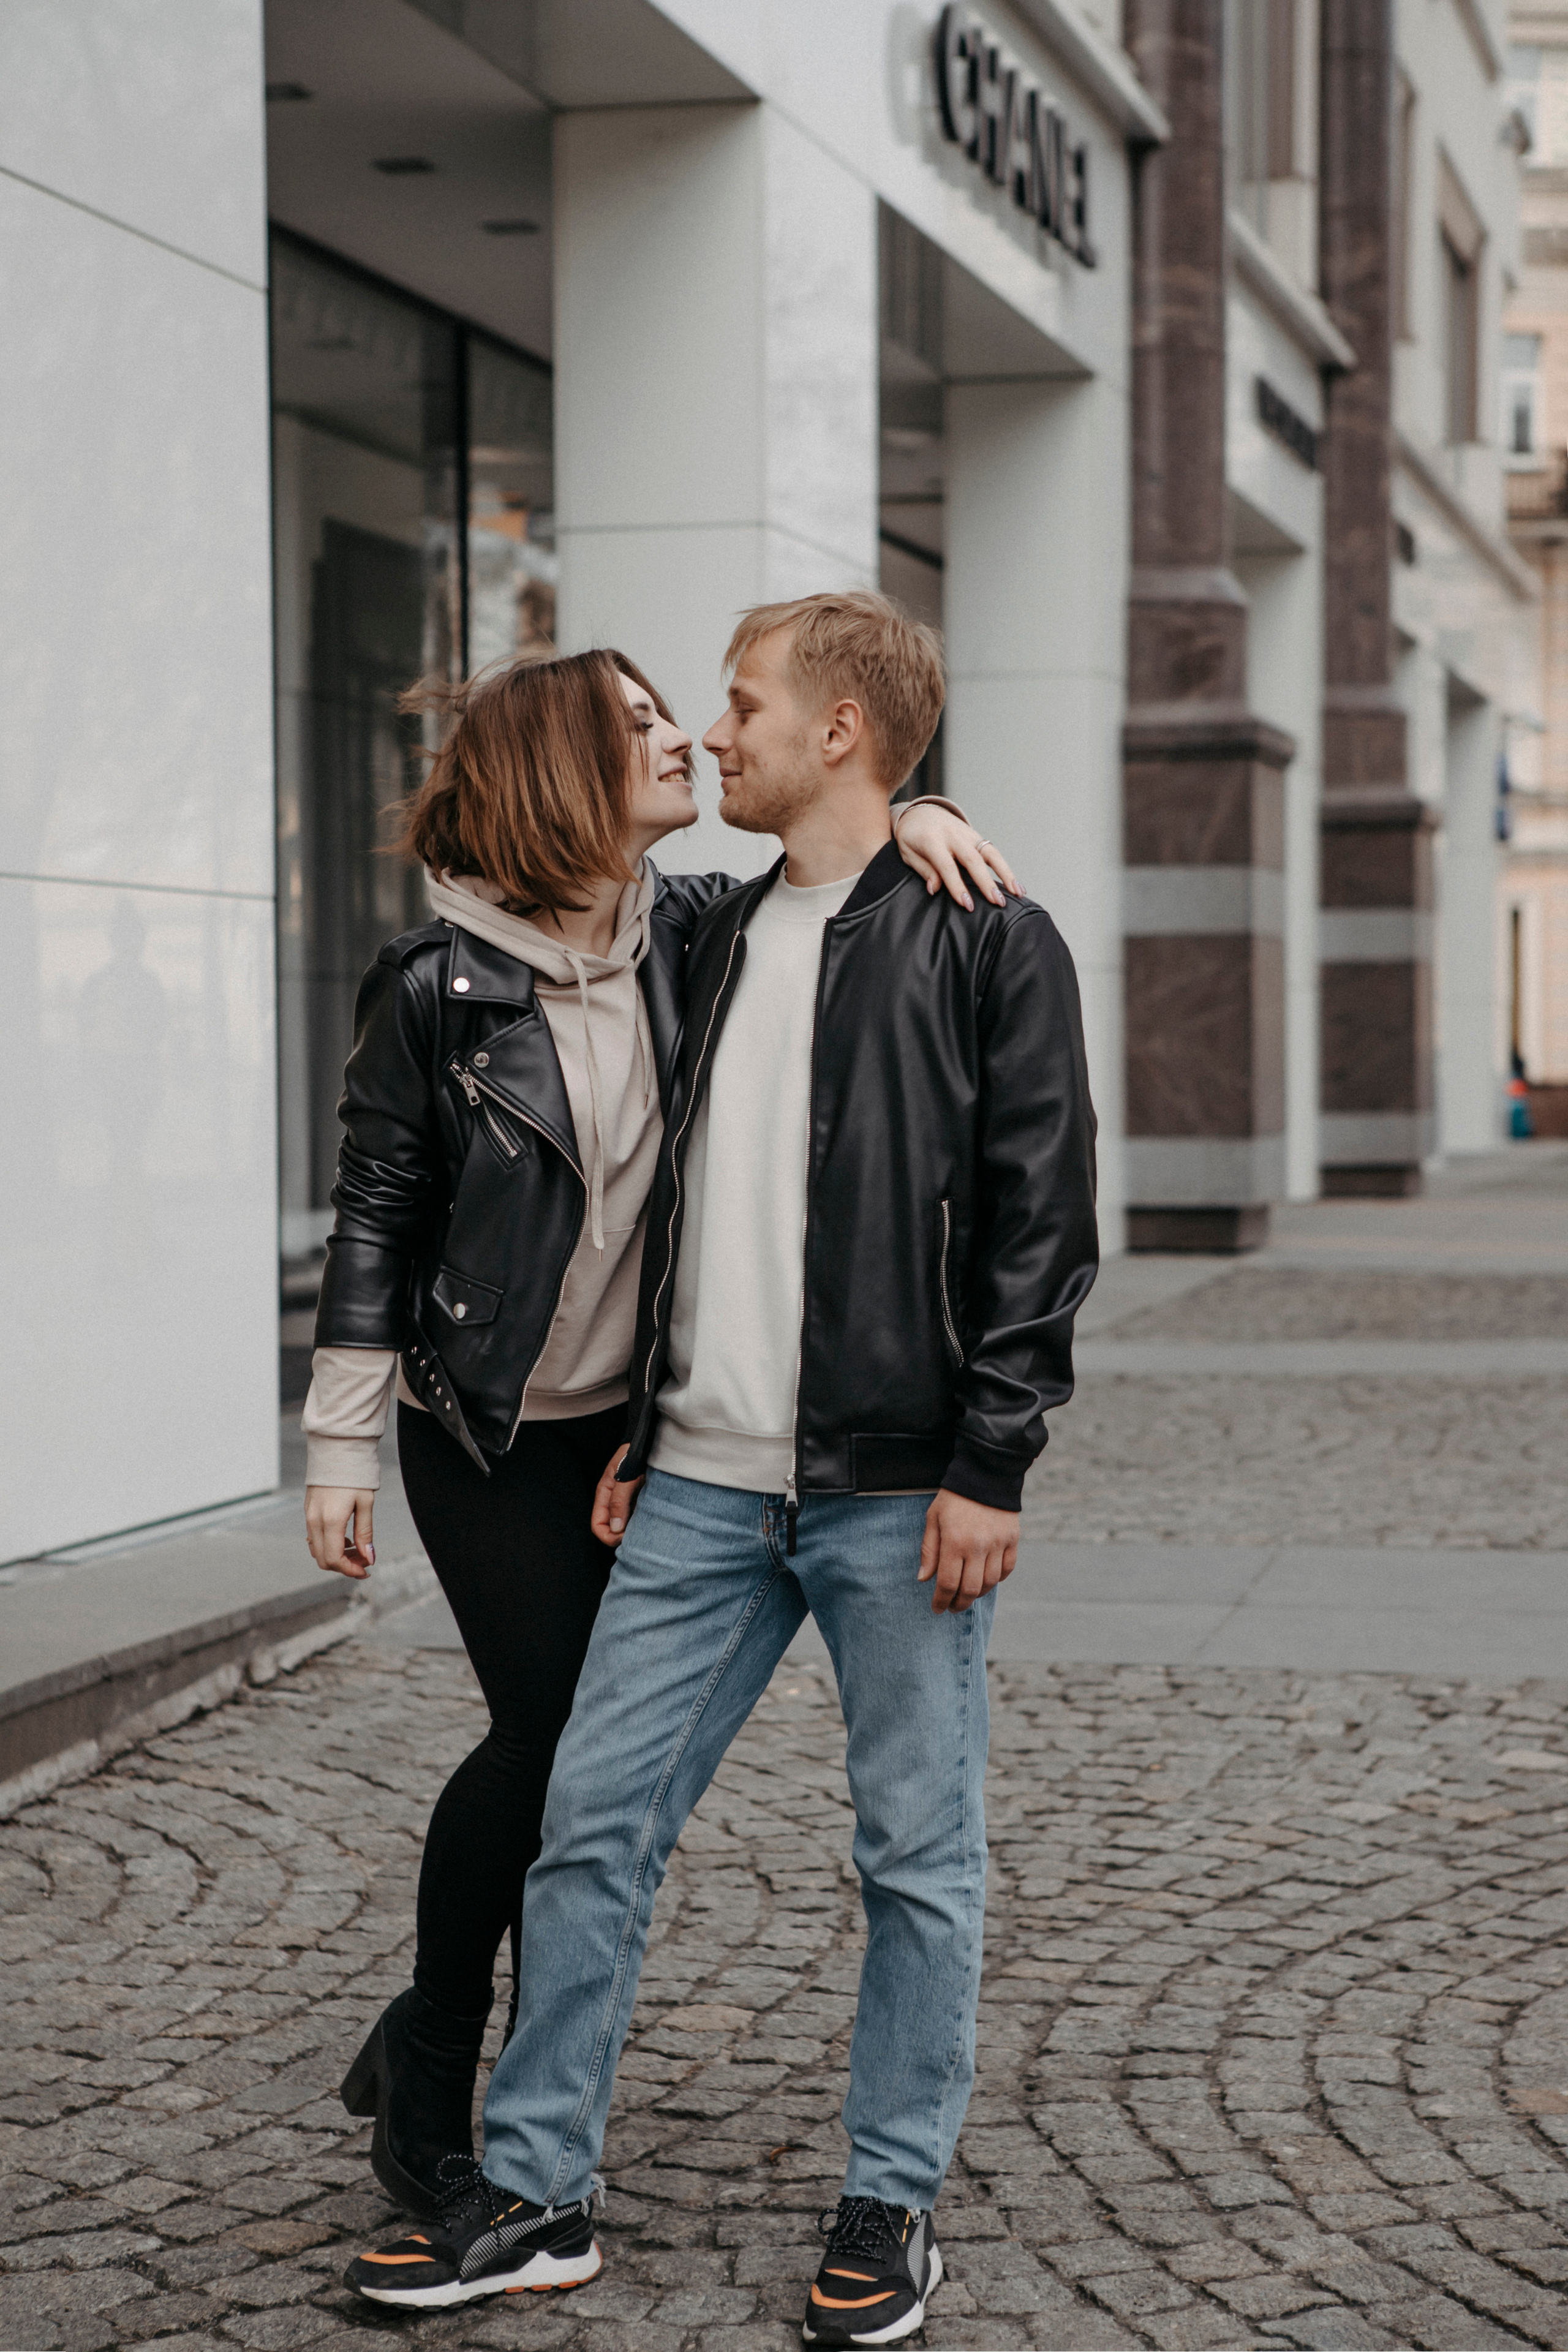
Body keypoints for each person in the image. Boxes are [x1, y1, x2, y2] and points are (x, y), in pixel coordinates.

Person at [342, 592, 1098, 2343]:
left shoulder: (989, 941)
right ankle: (534, 2191)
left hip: (900, 1487)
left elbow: (1040, 1229)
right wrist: (650, 1424)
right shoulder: (704, 932)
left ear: (839, 730)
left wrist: (992, 1463)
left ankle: (889, 2198)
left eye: (745, 705)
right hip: (690, 1486)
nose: (715, 732)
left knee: (916, 1854)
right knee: (591, 1824)